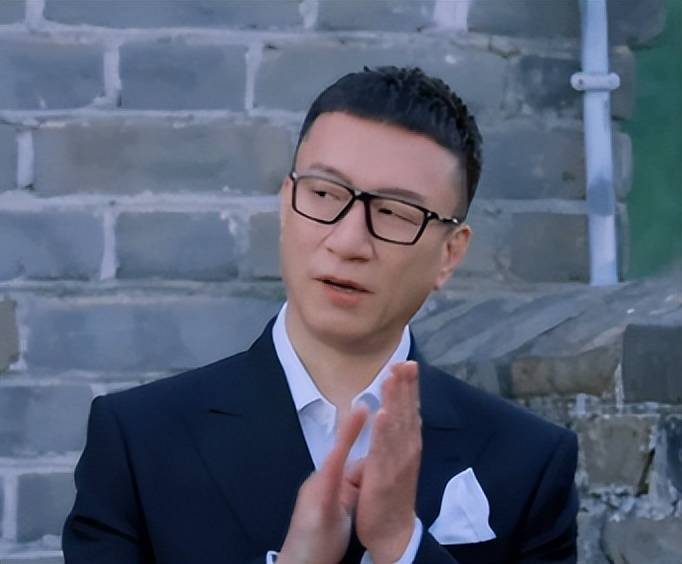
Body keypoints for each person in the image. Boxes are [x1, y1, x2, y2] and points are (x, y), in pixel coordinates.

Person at [62, 66, 578, 563]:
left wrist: (401, 546)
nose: (348, 241)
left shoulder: (528, 460)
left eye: (395, 213)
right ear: (287, 203)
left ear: (449, 254)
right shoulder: (140, 441)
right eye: (325, 194)